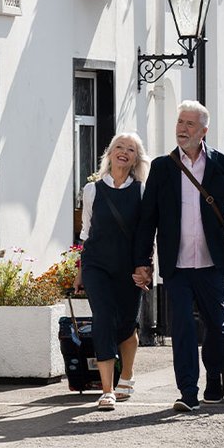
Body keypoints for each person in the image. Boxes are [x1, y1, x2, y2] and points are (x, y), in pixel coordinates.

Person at [134, 100, 224, 412]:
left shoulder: (222, 164)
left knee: (216, 326)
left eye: (190, 124)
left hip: (211, 262)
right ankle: (188, 392)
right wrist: (143, 261)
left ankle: (214, 377)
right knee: (182, 328)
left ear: (204, 130)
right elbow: (147, 217)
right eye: (180, 122)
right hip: (176, 265)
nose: (182, 129)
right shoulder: (163, 167)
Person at [76, 132, 149, 411]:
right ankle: (107, 390)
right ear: (109, 153)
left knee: (126, 326)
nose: (123, 152)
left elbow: (146, 234)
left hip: (130, 268)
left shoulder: (141, 190)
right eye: (119, 146)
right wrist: (81, 269)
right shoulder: (92, 189)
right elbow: (86, 232)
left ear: (134, 159)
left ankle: (127, 375)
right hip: (97, 265)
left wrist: (146, 266)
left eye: (130, 149)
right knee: (103, 319)